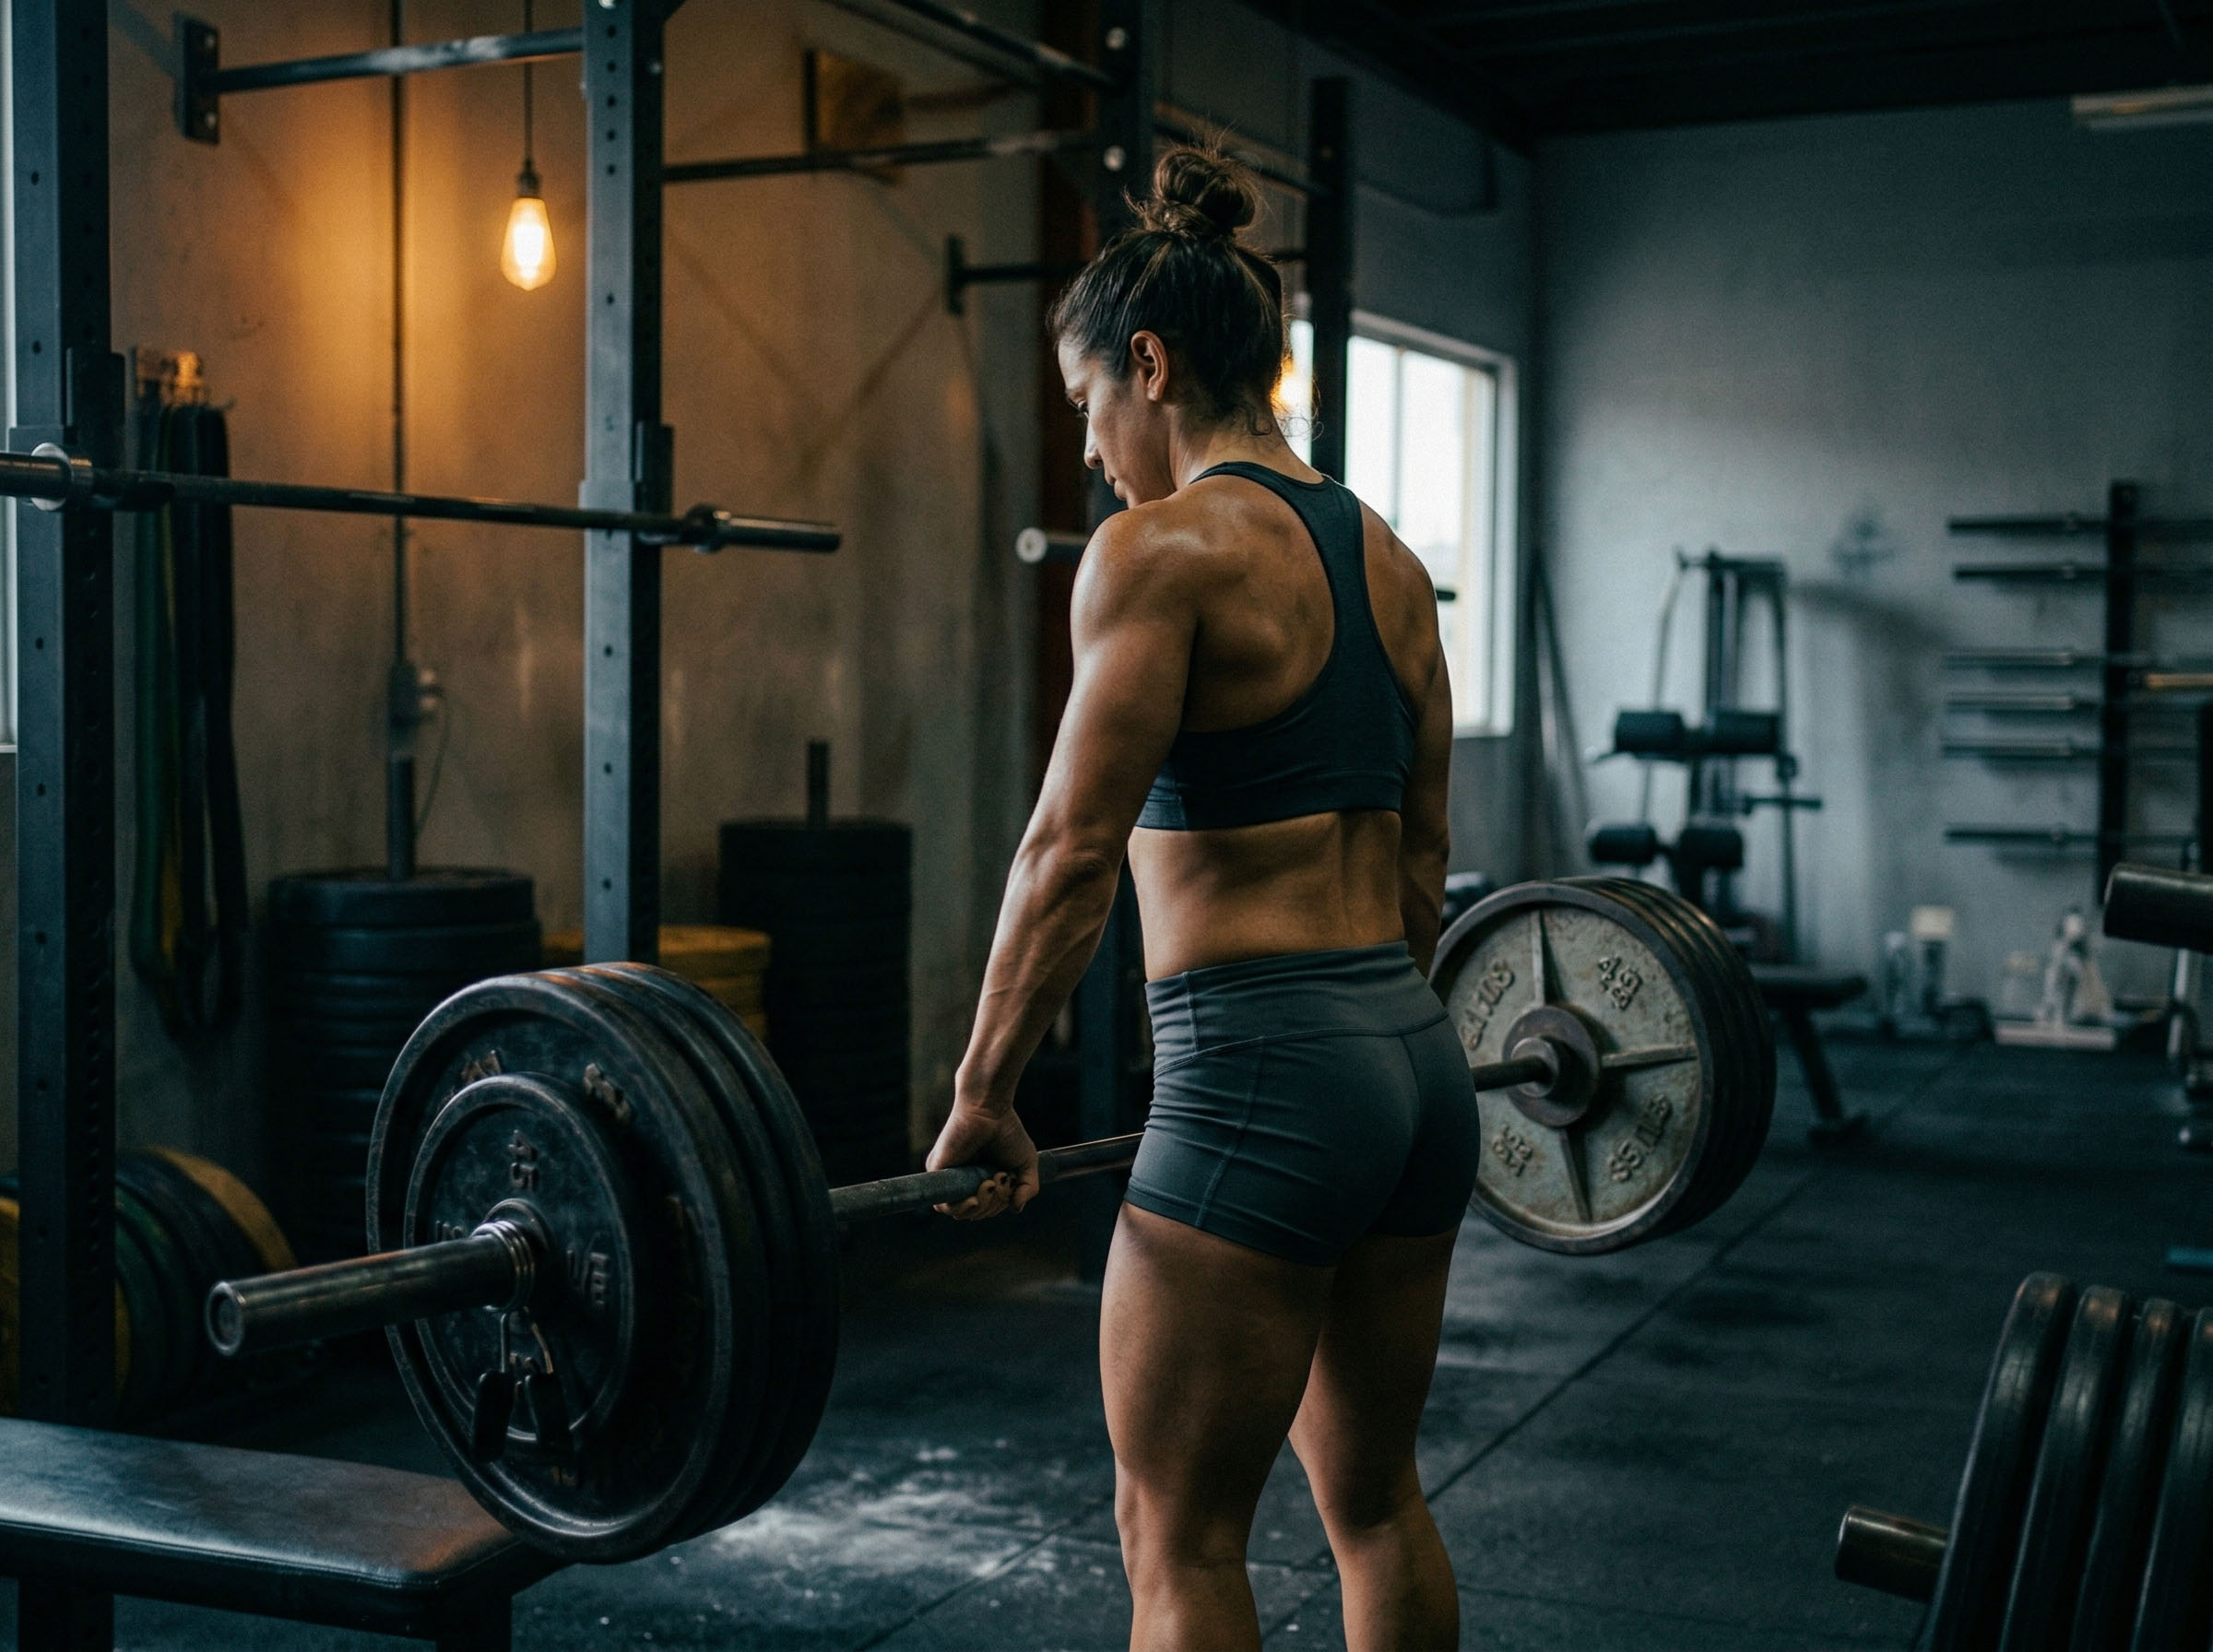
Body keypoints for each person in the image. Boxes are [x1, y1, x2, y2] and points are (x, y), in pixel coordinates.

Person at [926, 146, 1476, 1652]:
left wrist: (985, 1089)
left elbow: (1067, 854)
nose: (1094, 449)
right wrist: (1365, 1056)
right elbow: (1425, 872)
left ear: (1150, 365)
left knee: (1178, 1539)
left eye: (1090, 406)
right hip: (1416, 1068)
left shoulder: (1158, 554)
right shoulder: (1397, 565)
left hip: (1263, 1071)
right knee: (1376, 1505)